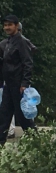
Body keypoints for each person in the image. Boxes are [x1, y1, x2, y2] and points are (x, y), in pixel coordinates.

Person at [0, 15, 36, 145]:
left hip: (19, 84)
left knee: (22, 115)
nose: (7, 27)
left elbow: (28, 63)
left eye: (10, 25)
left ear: (16, 26)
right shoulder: (7, 42)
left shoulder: (21, 41)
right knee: (4, 114)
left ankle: (35, 140)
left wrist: (25, 83)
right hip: (8, 84)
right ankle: (0, 142)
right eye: (5, 25)